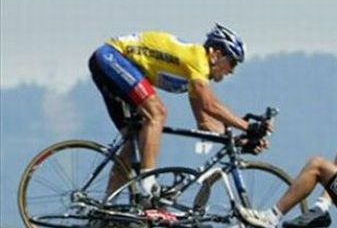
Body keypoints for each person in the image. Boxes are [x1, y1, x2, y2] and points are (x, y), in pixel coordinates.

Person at [89, 23, 270, 197]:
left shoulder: (195, 76)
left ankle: (106, 207)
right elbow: (210, 105)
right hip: (111, 57)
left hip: (108, 62)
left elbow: (205, 123)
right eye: (232, 63)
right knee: (157, 113)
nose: (232, 71)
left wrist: (240, 141)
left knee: (134, 138)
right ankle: (148, 182)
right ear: (216, 54)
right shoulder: (198, 59)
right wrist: (248, 126)